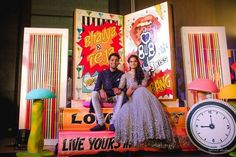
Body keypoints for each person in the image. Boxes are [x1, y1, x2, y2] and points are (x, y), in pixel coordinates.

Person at [114, 54, 176, 149]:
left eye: (135, 61)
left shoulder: (143, 73)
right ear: (128, 63)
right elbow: (121, 88)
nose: (133, 63)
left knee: (141, 91)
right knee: (140, 91)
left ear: (138, 62)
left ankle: (152, 134)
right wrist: (122, 91)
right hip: (132, 98)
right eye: (131, 61)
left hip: (143, 96)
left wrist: (133, 87)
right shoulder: (125, 75)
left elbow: (144, 84)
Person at [90, 53, 125, 131]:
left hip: (115, 97)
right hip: (105, 97)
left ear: (118, 62)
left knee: (122, 94)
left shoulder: (122, 74)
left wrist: (119, 89)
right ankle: (101, 123)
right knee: (94, 93)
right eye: (112, 60)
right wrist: (101, 90)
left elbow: (124, 87)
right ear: (109, 62)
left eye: (116, 60)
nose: (114, 62)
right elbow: (97, 86)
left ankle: (113, 123)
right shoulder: (102, 73)